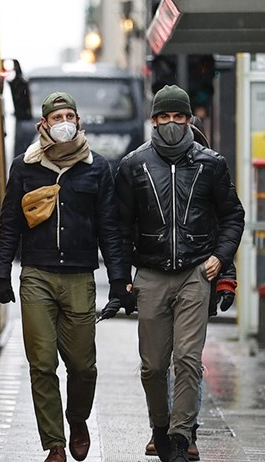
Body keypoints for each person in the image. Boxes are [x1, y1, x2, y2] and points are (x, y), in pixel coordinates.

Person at [0, 92, 133, 462]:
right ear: (44, 124)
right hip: (36, 275)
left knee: (83, 366)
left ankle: (77, 418)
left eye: (70, 115)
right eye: (57, 117)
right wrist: (1, 273)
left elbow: (110, 228)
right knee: (41, 363)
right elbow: (10, 225)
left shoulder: (96, 168)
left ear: (79, 122)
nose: (64, 122)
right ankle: (54, 443)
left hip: (79, 277)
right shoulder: (24, 167)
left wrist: (119, 282)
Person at [113, 85, 244, 462]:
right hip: (151, 274)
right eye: (165, 117)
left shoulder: (211, 164)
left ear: (190, 119)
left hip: (195, 273)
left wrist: (221, 259)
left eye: (179, 116)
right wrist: (122, 279)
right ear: (154, 120)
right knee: (153, 364)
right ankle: (160, 425)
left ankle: (180, 436)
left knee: (187, 358)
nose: (172, 123)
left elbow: (232, 216)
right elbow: (120, 227)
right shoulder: (133, 166)